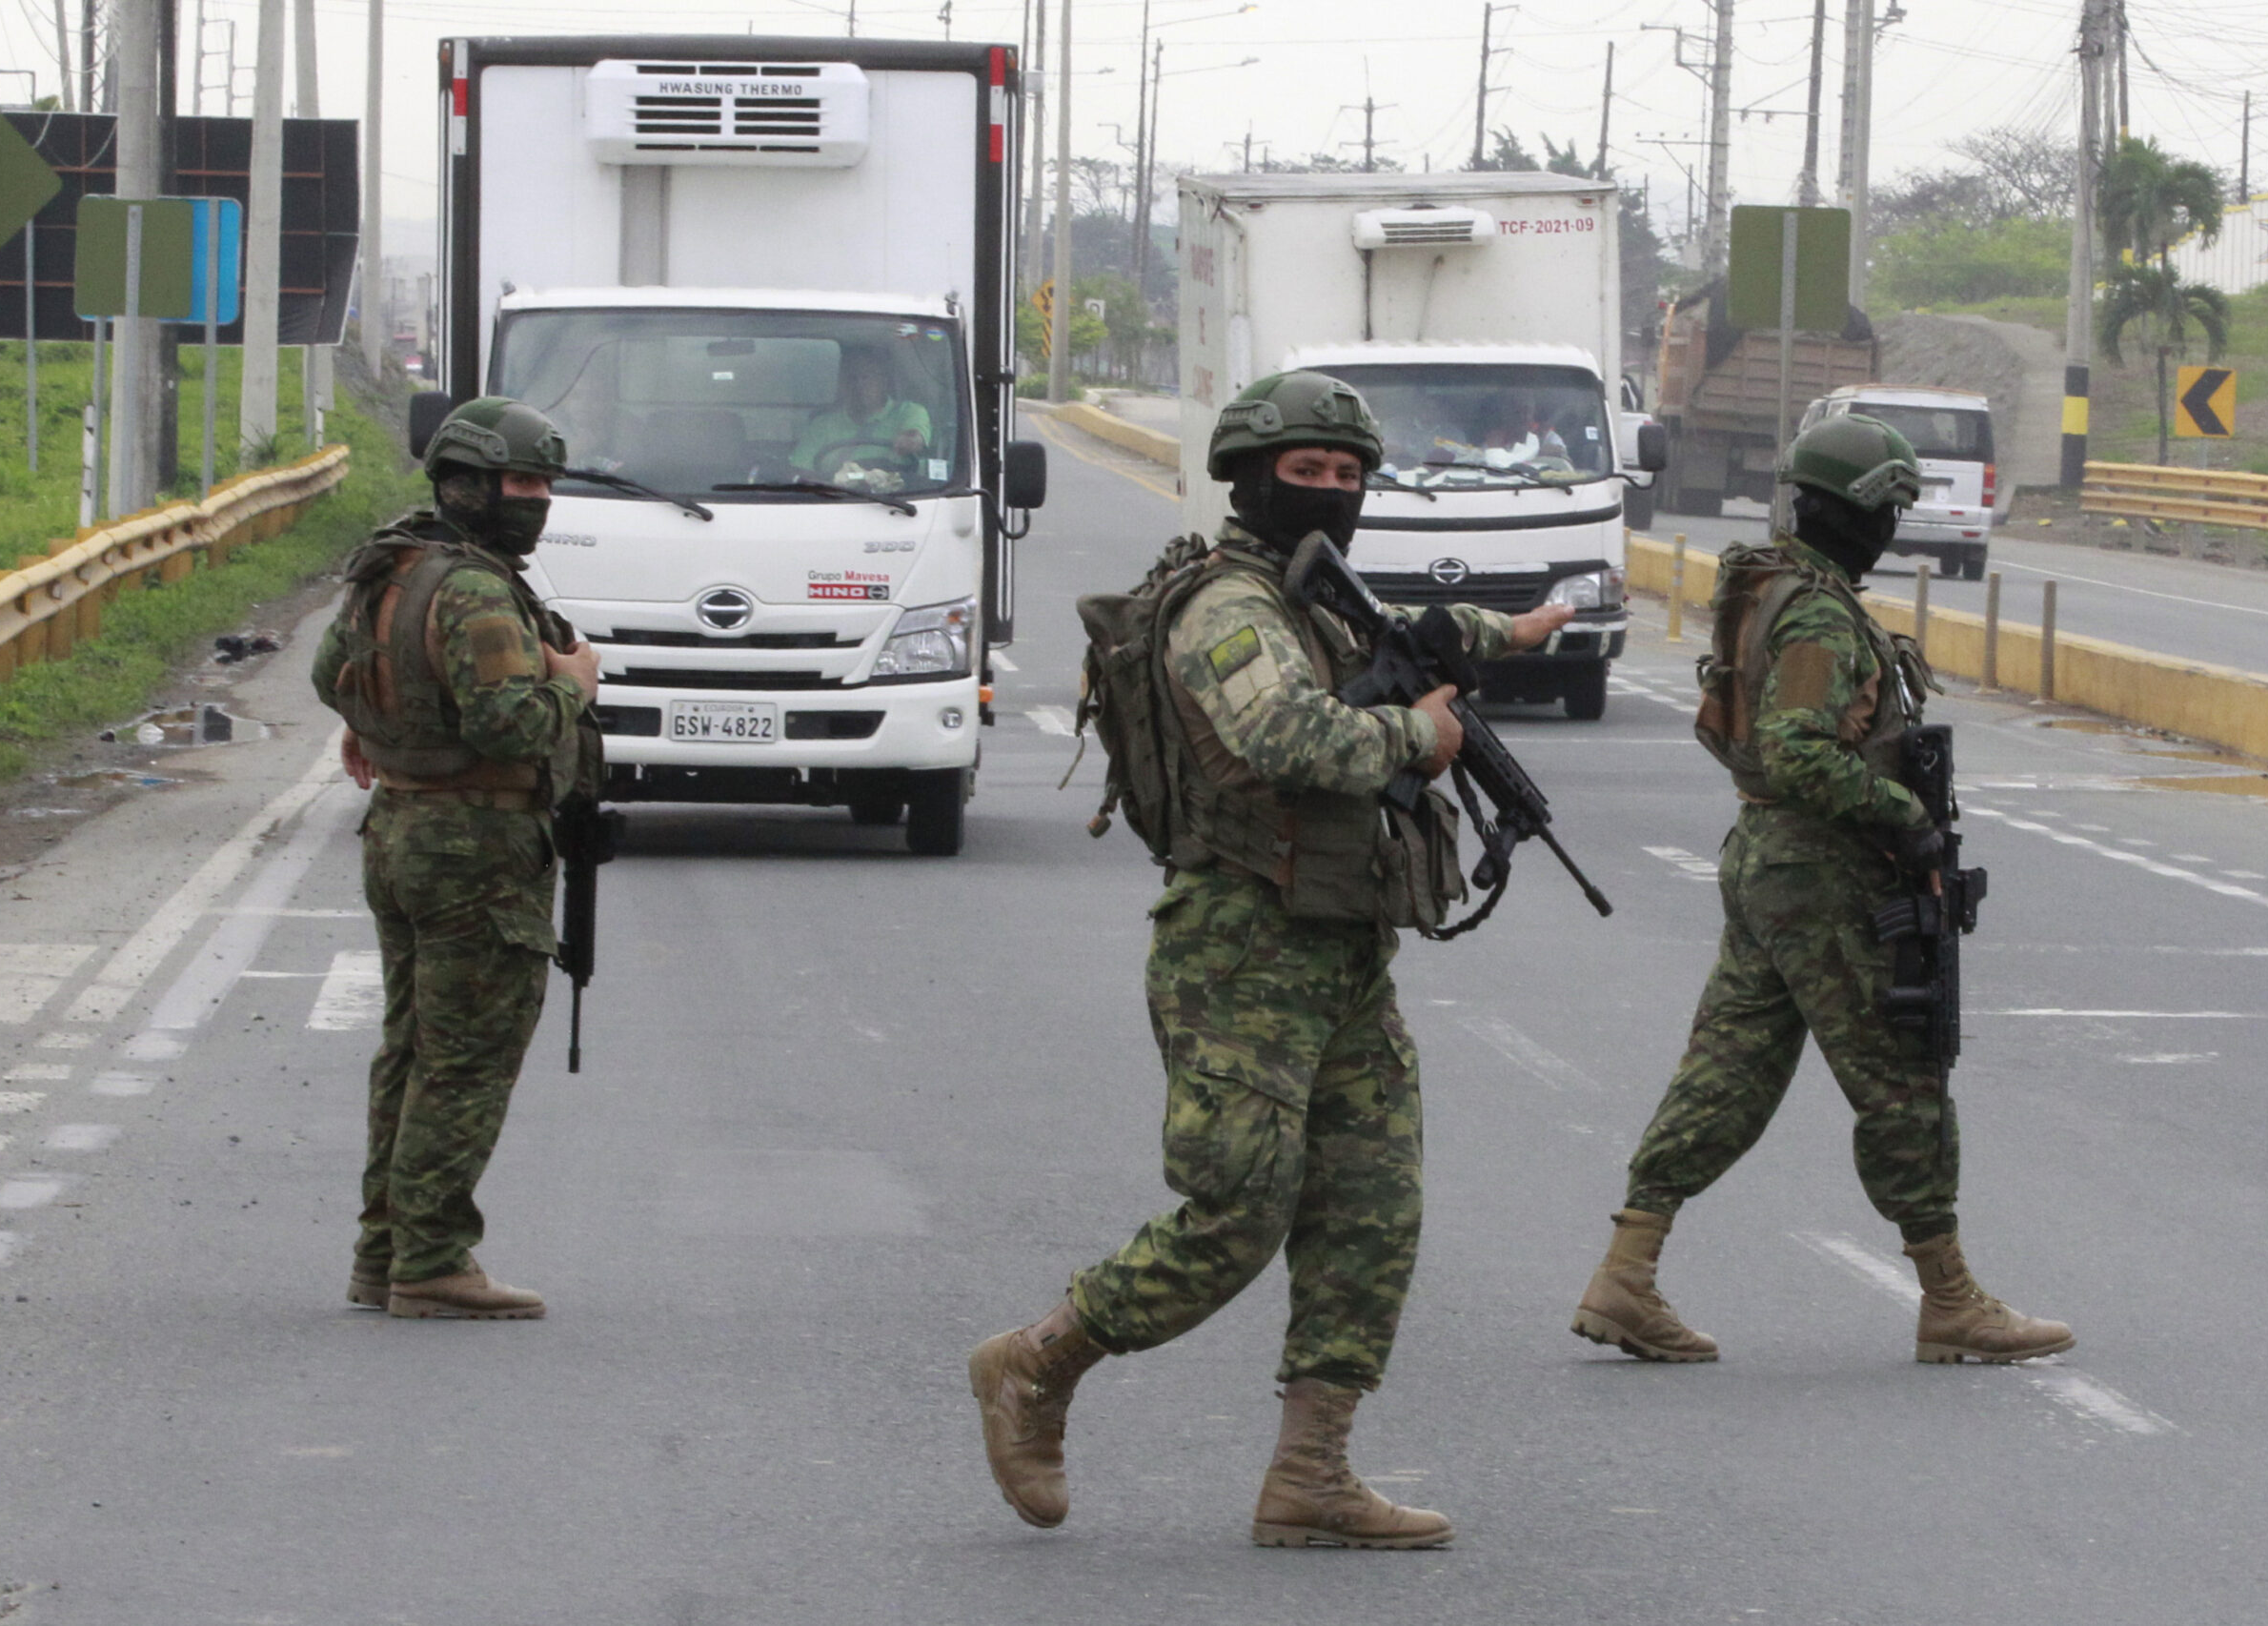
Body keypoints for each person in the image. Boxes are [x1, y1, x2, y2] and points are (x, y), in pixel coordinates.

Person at [969, 371, 1573, 1549]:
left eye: (1349, 474)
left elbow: (1406, 637)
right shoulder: (1228, 604)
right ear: (1250, 478)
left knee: (1369, 1207)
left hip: (1343, 947)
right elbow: (1285, 734)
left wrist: (1505, 630)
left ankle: (1311, 1471)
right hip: (1240, 950)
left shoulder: (1316, 600)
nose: (1331, 490)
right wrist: (1420, 732)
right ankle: (1037, 1359)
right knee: (1238, 1211)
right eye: (1307, 471)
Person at [1569, 415, 2072, 1367]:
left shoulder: (1771, 588)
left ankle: (1625, 1273)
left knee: (1728, 1071)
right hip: (1823, 872)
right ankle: (1950, 1298)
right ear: (1857, 512)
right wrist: (1903, 816)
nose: (1890, 529)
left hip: (1769, 859)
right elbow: (1797, 749)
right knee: (1901, 1075)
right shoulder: (1816, 613)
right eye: (1886, 511)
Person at [313, 396, 599, 1320]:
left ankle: (384, 1254)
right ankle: (432, 1260)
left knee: (411, 1050)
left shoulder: (394, 563)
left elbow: (330, 673)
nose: (537, 499)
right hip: (476, 846)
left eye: (545, 483)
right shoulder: (475, 589)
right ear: (467, 484)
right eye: (520, 481)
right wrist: (574, 685)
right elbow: (508, 722)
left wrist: (381, 726)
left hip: (400, 832)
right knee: (465, 1059)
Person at [791, 347, 931, 472]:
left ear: (883, 381)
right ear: (842, 384)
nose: (859, 384)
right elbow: (800, 472)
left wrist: (910, 441)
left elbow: (915, 437)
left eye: (866, 377)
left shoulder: (909, 412)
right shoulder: (822, 425)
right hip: (833, 492)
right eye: (852, 378)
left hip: (898, 492)